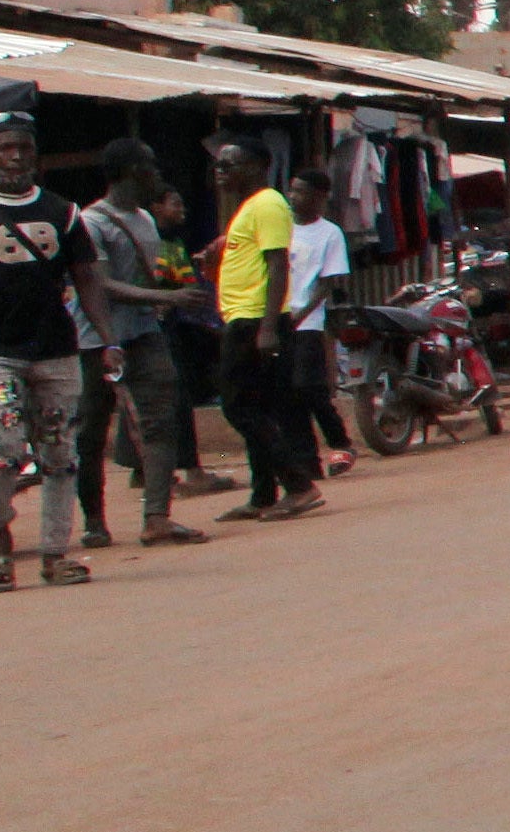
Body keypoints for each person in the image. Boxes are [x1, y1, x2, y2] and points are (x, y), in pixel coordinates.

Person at [0, 111, 99, 591]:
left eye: (24, 148)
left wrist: (107, 339)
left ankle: (55, 555)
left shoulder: (64, 213)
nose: (15, 156)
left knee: (59, 452)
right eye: (4, 147)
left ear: (36, 154)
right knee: (1, 446)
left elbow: (88, 278)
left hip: (57, 354)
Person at [75, 143, 204, 552]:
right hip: (98, 338)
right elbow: (100, 283)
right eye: (149, 166)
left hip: (143, 332)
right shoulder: (90, 222)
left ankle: (156, 518)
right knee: (90, 432)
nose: (157, 174)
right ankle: (95, 521)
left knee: (160, 421)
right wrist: (168, 299)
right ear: (131, 171)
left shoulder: (145, 218)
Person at [204, 136, 326, 521]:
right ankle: (263, 494)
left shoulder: (269, 204)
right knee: (256, 405)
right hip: (244, 317)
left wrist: (269, 328)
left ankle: (299, 484)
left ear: (256, 168)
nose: (220, 172)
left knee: (238, 406)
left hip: (256, 319)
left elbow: (278, 264)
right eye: (218, 165)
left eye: (229, 165)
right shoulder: (250, 208)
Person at [283, 158, 359, 464]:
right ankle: (305, 458)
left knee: (309, 388)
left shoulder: (330, 234)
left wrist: (300, 315)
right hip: (277, 320)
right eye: (291, 191)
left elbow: (327, 282)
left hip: (307, 322)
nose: (293, 198)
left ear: (319, 197)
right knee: (288, 392)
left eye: (300, 192)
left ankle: (340, 441)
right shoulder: (281, 227)